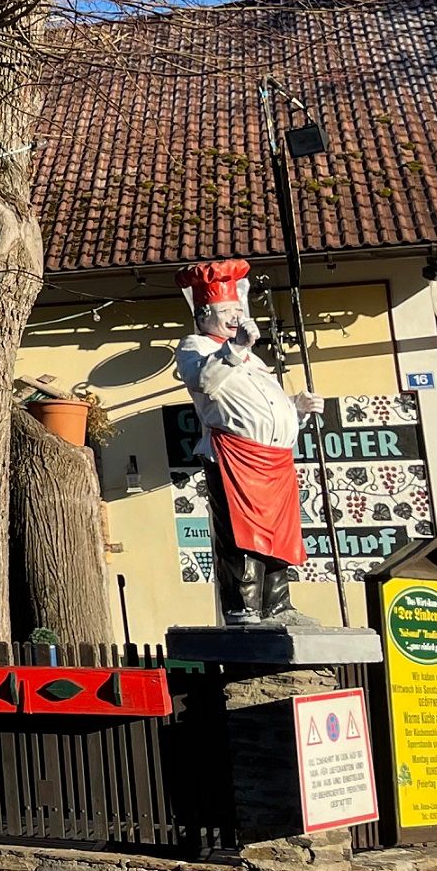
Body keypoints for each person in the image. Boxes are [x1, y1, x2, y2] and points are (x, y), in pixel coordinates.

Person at [175, 259, 323, 626]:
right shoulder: (195, 346)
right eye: (227, 311)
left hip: (274, 459)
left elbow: (260, 406)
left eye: (239, 311)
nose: (236, 318)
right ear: (205, 313)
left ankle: (278, 605)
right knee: (243, 536)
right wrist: (235, 349)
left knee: (280, 535)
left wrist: (296, 409)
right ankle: (243, 607)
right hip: (235, 456)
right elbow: (205, 383)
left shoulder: (252, 357)